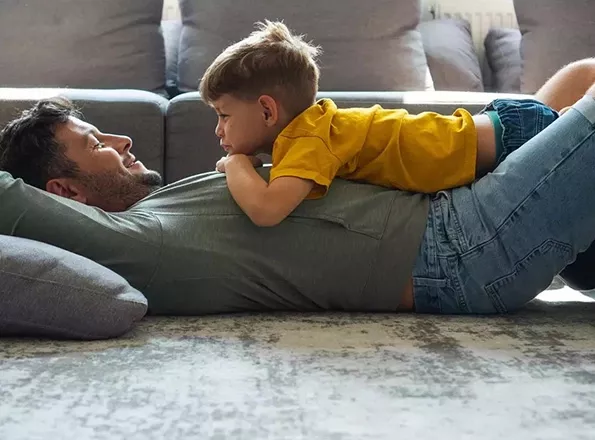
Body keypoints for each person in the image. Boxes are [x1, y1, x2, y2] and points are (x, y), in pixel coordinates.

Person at [1, 59, 595, 316]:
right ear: (68, 193)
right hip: (462, 249)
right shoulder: (133, 243)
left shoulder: (160, 210)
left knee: (579, 78)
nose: (123, 141)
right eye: (96, 144)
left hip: (458, 215)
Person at [199, 20, 559, 227]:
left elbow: (266, 211)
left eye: (223, 115)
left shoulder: (309, 139)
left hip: (511, 141)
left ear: (266, 111)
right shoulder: (314, 132)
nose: (218, 131)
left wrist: (236, 164)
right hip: (502, 131)